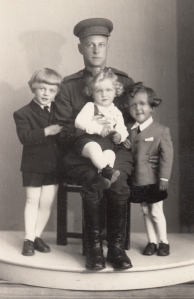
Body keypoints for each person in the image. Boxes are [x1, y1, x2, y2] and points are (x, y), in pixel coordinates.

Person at [55, 18, 157, 270]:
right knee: (93, 179)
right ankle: (94, 250)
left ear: (108, 46)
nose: (96, 50)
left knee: (118, 181)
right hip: (82, 150)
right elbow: (64, 128)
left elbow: (138, 120)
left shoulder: (125, 81)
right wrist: (89, 138)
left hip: (117, 148)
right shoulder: (69, 86)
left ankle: (116, 249)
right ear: (80, 48)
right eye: (90, 45)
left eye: (101, 44)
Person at [13, 68, 63, 256]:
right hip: (33, 165)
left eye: (51, 91)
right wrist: (46, 131)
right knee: (32, 200)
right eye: (42, 89)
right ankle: (28, 239)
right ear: (34, 88)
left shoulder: (59, 110)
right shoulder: (22, 113)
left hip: (53, 164)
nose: (46, 94)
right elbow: (24, 137)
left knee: (46, 202)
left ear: (56, 93)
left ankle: (37, 236)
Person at [125, 82, 173, 256]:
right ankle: (151, 241)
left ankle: (163, 242)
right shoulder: (128, 131)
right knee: (145, 210)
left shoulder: (161, 131)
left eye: (143, 104)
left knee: (156, 211)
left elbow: (167, 157)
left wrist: (164, 179)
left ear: (152, 106)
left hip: (154, 180)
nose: (138, 108)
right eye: (133, 105)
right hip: (138, 180)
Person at [75, 69, 129, 188]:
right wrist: (99, 129)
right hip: (88, 142)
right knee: (95, 149)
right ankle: (107, 171)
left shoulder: (116, 113)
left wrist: (120, 136)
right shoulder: (90, 107)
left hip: (107, 144)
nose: (104, 94)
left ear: (116, 92)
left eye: (109, 90)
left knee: (110, 155)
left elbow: (123, 129)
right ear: (92, 93)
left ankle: (102, 178)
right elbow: (78, 122)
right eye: (99, 91)